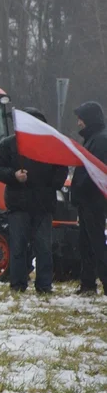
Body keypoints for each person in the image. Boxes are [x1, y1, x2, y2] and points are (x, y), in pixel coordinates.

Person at [0, 108, 68, 294]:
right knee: (18, 248)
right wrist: (14, 175)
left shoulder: (51, 145)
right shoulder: (9, 144)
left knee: (44, 249)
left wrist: (52, 183)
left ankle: (44, 286)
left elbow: (62, 168)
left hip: (43, 206)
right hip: (19, 206)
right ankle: (18, 285)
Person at [73, 101, 107, 296]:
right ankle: (87, 284)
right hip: (86, 201)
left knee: (95, 243)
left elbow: (95, 172)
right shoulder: (93, 139)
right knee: (85, 243)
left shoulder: (100, 141)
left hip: (93, 201)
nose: (79, 124)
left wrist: (79, 187)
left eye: (81, 119)